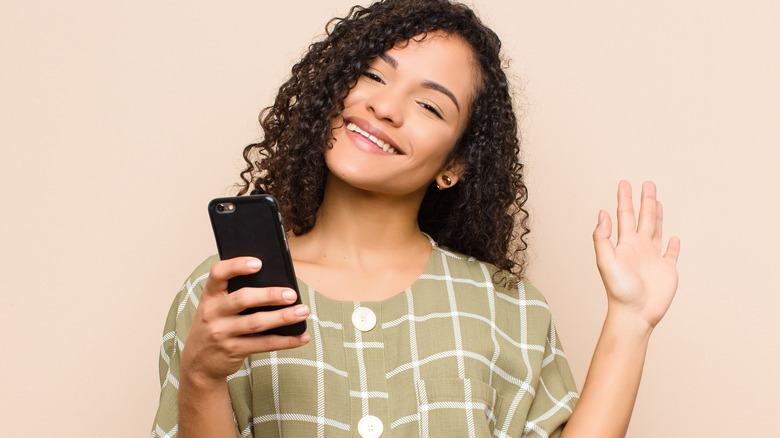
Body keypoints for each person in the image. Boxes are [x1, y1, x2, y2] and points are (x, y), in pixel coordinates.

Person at [152, 1, 680, 437]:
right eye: (373, 75)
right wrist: (201, 376)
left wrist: (630, 321)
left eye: (430, 107)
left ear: (453, 165)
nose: (385, 107)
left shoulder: (508, 307)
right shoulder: (227, 292)